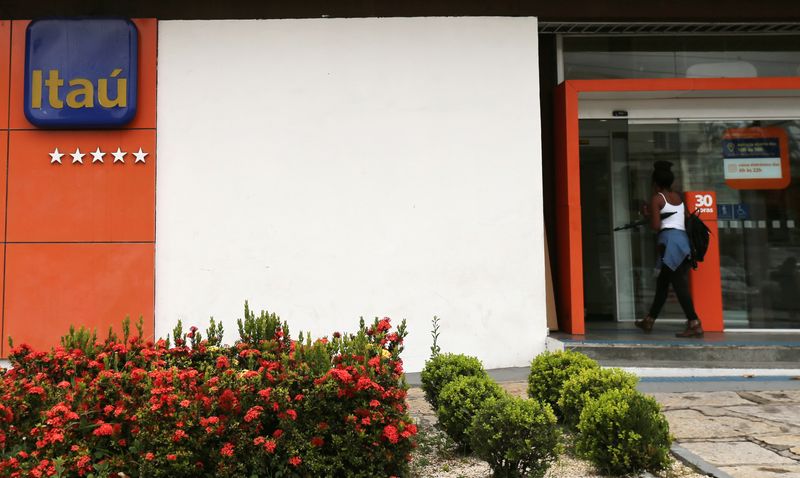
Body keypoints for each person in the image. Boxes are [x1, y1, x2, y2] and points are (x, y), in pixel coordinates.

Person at [635, 161, 704, 338]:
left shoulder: (658, 198)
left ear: (655, 183)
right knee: (663, 284)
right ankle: (649, 320)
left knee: (678, 284)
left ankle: (694, 322)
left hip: (669, 244)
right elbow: (686, 218)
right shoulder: (678, 197)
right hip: (682, 243)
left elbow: (656, 226)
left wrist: (648, 215)